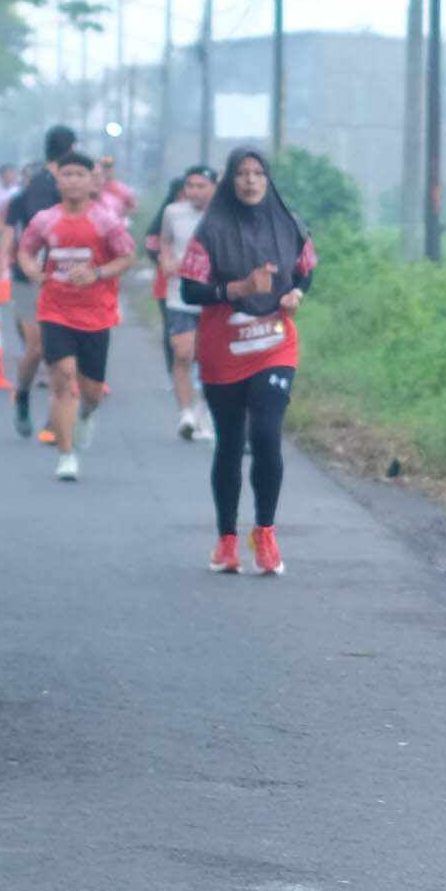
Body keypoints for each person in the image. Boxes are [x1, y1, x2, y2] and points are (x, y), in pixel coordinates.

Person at [178, 146, 314, 572]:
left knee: (268, 434)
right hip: (225, 348)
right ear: (230, 181)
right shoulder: (211, 230)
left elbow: (305, 269)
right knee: (231, 443)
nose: (250, 181)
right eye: (241, 173)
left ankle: (266, 533)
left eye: (258, 173)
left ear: (268, 179)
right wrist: (237, 289)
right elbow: (189, 290)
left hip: (274, 344)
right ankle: (227, 540)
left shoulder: (290, 224)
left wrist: (296, 294)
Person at [13, 149, 135, 481]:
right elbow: (25, 250)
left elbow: (128, 257)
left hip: (96, 313)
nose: (73, 181)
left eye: (80, 175)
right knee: (62, 379)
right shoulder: (46, 219)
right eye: (67, 175)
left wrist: (98, 273)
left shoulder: (106, 220)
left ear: (91, 180)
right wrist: (31, 268)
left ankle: (85, 415)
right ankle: (66, 455)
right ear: (58, 181)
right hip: (56, 309)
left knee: (92, 392)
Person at [0, 125, 79, 437]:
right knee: (37, 349)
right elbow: (12, 235)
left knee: (56, 353)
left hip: (64, 279)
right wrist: (8, 267)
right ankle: (23, 395)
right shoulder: (30, 194)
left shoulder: (79, 195)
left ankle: (54, 415)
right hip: (31, 277)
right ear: (72, 148)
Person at [152, 164, 217, 440]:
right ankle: (186, 413)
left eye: (201, 186)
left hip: (214, 297)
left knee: (210, 359)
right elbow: (164, 241)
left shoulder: (225, 214)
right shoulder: (173, 212)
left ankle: (204, 410)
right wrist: (166, 259)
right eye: (190, 185)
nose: (194, 191)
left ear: (214, 187)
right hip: (179, 293)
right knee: (182, 352)